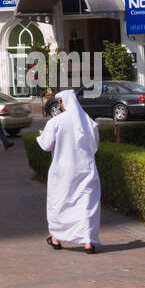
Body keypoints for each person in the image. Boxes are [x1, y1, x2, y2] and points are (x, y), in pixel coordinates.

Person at [36, 88, 101, 253]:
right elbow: (95, 146)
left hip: (62, 172)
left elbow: (45, 145)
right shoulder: (88, 121)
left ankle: (57, 238)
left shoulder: (56, 122)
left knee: (60, 204)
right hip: (86, 168)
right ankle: (88, 241)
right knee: (86, 205)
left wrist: (40, 135)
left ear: (62, 102)